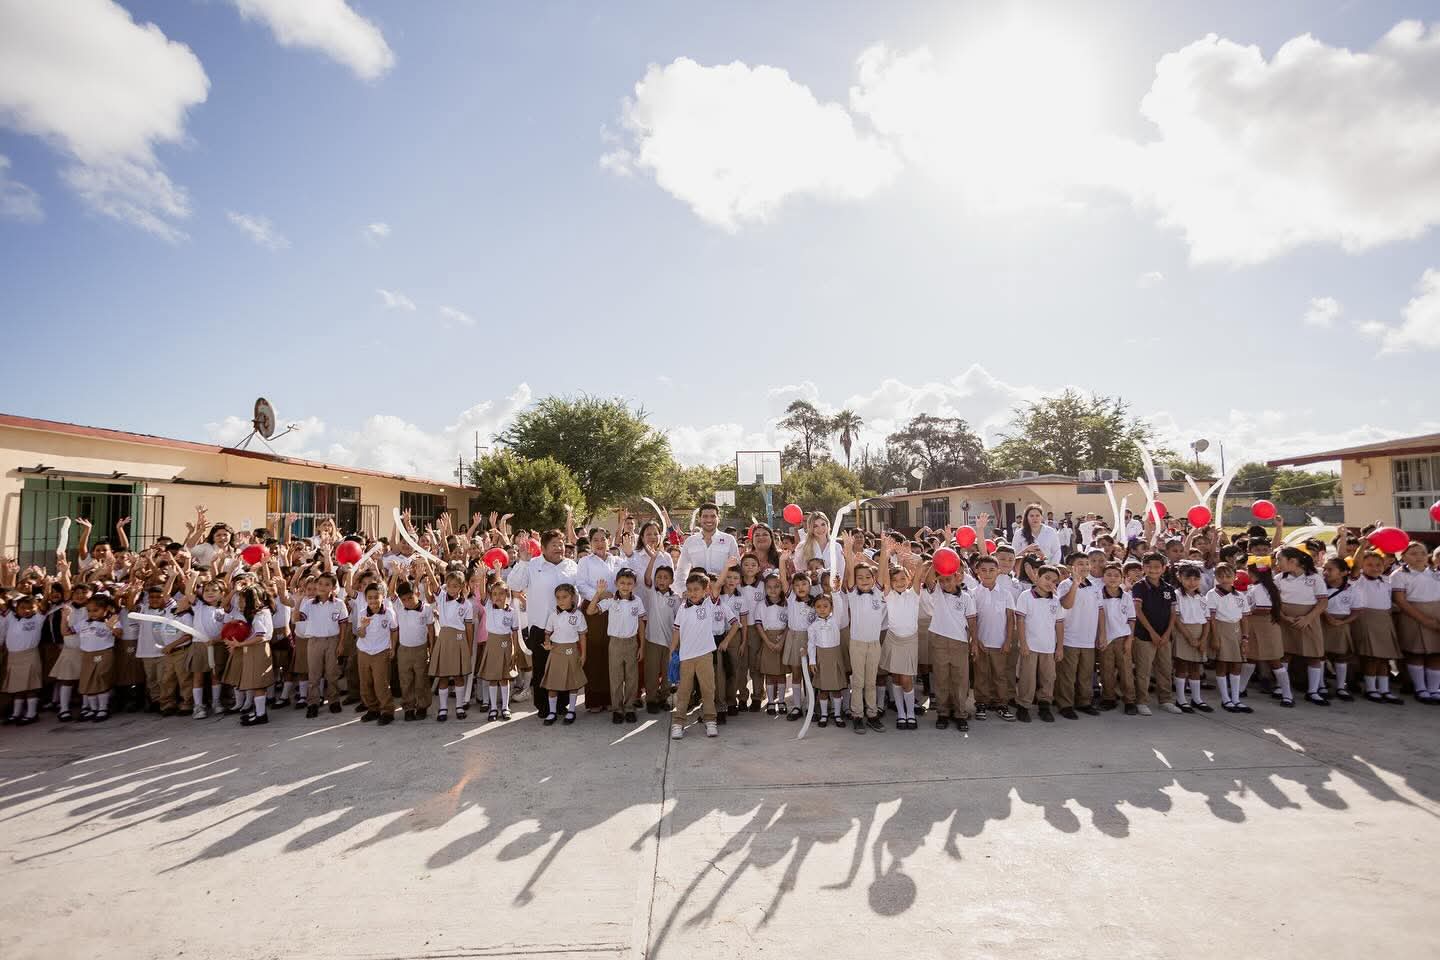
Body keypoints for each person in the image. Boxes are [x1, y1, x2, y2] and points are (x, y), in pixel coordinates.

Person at [506, 529, 579, 720]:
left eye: (561, 543)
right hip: (540, 627)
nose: (559, 548)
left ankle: (562, 705)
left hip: (565, 628)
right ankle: (544, 706)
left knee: (563, 668)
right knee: (542, 668)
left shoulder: (571, 565)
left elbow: (577, 593)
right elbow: (514, 584)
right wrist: (522, 561)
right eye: (554, 544)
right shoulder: (532, 565)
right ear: (544, 548)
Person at [669, 571, 736, 740]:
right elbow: (676, 630)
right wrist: (672, 648)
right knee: (684, 691)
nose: (692, 593)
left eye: (696, 589)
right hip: (686, 657)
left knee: (708, 689)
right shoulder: (683, 609)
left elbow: (718, 585)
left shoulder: (708, 605)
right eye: (690, 589)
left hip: (705, 655)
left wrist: (727, 567)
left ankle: (710, 720)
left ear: (706, 590)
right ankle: (678, 723)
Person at [923, 550, 978, 733]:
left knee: (960, 679)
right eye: (942, 580)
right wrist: (936, 561)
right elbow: (930, 579)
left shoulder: (967, 598)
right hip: (939, 640)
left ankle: (960, 713)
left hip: (960, 642)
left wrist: (974, 642)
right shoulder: (937, 592)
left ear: (958, 578)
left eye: (949, 579)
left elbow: (971, 621)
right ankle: (943, 713)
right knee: (941, 678)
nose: (945, 583)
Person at [840, 534, 886, 733]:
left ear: (874, 579)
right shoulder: (852, 594)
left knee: (871, 681)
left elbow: (883, 568)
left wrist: (884, 549)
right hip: (857, 643)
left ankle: (872, 713)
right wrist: (849, 550)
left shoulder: (878, 592)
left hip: (874, 644)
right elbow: (850, 569)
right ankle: (858, 715)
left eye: (868, 577)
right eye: (860, 578)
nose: (864, 580)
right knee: (857, 681)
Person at [576, 526, 623, 714]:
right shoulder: (585, 561)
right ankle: (594, 699)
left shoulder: (617, 560)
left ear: (609, 540)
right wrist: (599, 595)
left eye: (603, 539)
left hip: (614, 610)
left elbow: (624, 581)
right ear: (590, 542)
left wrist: (613, 596)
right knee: (594, 652)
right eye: (595, 539)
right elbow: (581, 584)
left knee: (611, 653)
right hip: (593, 609)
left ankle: (612, 697)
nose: (600, 543)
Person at [1276, 546, 1330, 706]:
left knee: (1313, 655)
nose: (1277, 563)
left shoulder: (1315, 578)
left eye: (1280, 559)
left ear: (1293, 561)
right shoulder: (1279, 578)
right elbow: (1275, 601)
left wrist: (1308, 618)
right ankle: (1281, 687)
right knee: (1285, 654)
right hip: (1286, 620)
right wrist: (1284, 617)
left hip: (1308, 619)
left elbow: (1323, 602)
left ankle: (1313, 690)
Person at [590, 570, 646, 724]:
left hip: (632, 643)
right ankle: (617, 709)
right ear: (616, 583)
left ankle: (629, 708)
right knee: (616, 678)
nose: (625, 586)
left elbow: (641, 624)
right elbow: (591, 611)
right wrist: (598, 593)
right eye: (622, 583)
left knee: (632, 678)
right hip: (615, 643)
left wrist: (642, 646)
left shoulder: (637, 601)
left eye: (629, 583)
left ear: (634, 585)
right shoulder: (611, 601)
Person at [1350, 548, 1403, 704]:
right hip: (1366, 619)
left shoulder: (1386, 581)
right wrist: (1363, 545)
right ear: (1363, 566)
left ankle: (1385, 690)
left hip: (1384, 620)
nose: (1375, 568)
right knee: (1371, 658)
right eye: (1370, 565)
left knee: (1384, 658)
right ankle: (1371, 689)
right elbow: (1355, 565)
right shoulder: (1358, 580)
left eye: (1378, 564)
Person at [1013, 565, 1064, 722]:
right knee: (1027, 677)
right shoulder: (1026, 596)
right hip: (1030, 645)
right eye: (1047, 578)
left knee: (1048, 677)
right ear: (1037, 576)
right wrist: (1023, 643)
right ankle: (1023, 706)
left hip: (1048, 646)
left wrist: (1059, 647)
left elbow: (1059, 624)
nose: (1050, 583)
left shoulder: (1055, 601)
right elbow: (1020, 620)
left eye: (1054, 581)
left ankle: (1044, 705)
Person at [1390, 541, 1440, 703]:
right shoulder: (1399, 575)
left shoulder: (1435, 573)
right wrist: (1424, 620)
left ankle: (1434, 689)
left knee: (1435, 653)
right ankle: (1420, 688)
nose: (1419, 557)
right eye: (1413, 553)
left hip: (1436, 614)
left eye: (1422, 553)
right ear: (1403, 556)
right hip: (1412, 615)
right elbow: (1401, 601)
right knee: (1416, 653)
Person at [967, 552, 1014, 723]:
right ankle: (981, 703)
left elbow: (1010, 618)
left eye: (991, 570)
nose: (987, 573)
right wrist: (975, 640)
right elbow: (971, 619)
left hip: (999, 642)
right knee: (981, 674)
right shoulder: (972, 593)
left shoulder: (1006, 594)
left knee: (1000, 674)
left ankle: (1001, 703)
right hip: (980, 642)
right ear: (977, 571)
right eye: (983, 570)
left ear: (998, 571)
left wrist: (1008, 640)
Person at [1054, 552, 1101, 719]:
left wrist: (1100, 634)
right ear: (1071, 567)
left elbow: (1100, 611)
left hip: (1088, 638)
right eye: (1080, 564)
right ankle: (1065, 704)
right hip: (1070, 637)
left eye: (1087, 563)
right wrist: (1075, 584)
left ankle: (1084, 702)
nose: (1085, 567)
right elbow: (1066, 604)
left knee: (1085, 673)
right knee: (1067, 674)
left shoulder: (1095, 586)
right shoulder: (1065, 585)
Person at [1131, 552, 1177, 715]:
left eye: (1157, 567)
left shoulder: (1169, 588)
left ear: (1164, 568)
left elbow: (1173, 614)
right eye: (1149, 566)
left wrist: (1166, 634)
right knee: (1143, 670)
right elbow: (1138, 611)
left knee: (1165, 669)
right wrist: (1152, 632)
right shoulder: (1139, 586)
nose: (1153, 570)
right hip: (1145, 636)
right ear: (1143, 568)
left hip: (1165, 637)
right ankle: (1141, 701)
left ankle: (1166, 700)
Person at [1206, 562, 1252, 713]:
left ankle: (1236, 699)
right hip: (1221, 629)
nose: (1225, 579)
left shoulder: (1240, 595)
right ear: (1216, 577)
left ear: (1235, 576)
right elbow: (1212, 618)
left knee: (1237, 665)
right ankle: (1225, 699)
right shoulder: (1212, 594)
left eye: (1228, 575)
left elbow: (1244, 618)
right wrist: (1215, 637)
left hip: (1236, 631)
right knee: (1222, 664)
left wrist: (1245, 638)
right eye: (1221, 576)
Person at [300, 571, 348, 717]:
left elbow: (343, 624)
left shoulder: (338, 604)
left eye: (327, 584)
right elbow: (299, 617)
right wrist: (297, 601)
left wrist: (341, 643)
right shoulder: (309, 604)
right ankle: (313, 703)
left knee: (332, 673)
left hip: (332, 641)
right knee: (314, 674)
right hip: (314, 641)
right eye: (320, 583)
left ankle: (333, 701)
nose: (322, 586)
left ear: (333, 588)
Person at [227, 584, 275, 727]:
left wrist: (240, 645)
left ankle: (261, 715)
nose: (239, 604)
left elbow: (260, 636)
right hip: (257, 649)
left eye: (241, 601)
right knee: (256, 685)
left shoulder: (259, 615)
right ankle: (258, 711)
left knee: (258, 685)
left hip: (257, 650)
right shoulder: (262, 613)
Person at [540, 584, 587, 726]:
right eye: (558, 598)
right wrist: (547, 642)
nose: (561, 600)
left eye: (565, 597)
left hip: (572, 651)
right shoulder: (553, 615)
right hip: (556, 652)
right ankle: (552, 712)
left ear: (572, 597)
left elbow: (582, 636)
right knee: (552, 683)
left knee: (573, 683)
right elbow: (547, 633)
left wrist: (583, 654)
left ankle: (571, 710)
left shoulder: (578, 615)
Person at [641, 550, 680, 714]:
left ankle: (663, 697)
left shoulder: (676, 598)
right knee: (651, 672)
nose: (661, 580)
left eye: (665, 577)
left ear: (671, 580)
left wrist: (677, 644)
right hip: (652, 640)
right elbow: (647, 578)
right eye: (659, 577)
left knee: (667, 672)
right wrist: (653, 558)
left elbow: (679, 621)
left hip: (670, 642)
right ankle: (651, 699)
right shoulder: (651, 594)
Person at [353, 582, 397, 725]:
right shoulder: (362, 613)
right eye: (369, 598)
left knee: (381, 683)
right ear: (366, 599)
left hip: (381, 651)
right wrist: (364, 627)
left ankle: (387, 711)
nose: (373, 601)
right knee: (365, 683)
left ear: (382, 597)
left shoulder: (389, 613)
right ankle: (372, 709)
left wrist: (393, 647)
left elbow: (394, 630)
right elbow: (360, 634)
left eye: (375, 597)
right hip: (364, 651)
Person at [1172, 565, 1213, 712]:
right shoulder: (1176, 595)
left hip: (1199, 633)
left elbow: (1207, 620)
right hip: (1183, 633)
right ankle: (1181, 699)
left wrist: (1203, 640)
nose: (1192, 582)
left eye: (1196, 579)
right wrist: (1189, 637)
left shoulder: (1201, 597)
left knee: (1196, 667)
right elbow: (1176, 619)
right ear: (1180, 578)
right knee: (1182, 667)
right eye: (1188, 578)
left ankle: (1197, 699)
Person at [1097, 562, 1136, 713]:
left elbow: (1131, 619)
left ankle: (1129, 700)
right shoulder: (1098, 595)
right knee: (1106, 671)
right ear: (1103, 578)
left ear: (1121, 578)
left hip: (1122, 638)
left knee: (1126, 671)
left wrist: (1129, 640)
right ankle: (1108, 698)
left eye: (1116, 575)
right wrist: (1100, 637)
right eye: (1109, 575)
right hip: (1105, 638)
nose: (1112, 578)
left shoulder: (1126, 597)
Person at [75, 592, 120, 722]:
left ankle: (103, 708)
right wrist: (64, 617)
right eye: (89, 611)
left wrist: (111, 627)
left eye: (96, 610)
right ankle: (93, 709)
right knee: (88, 681)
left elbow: (119, 634)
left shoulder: (111, 621)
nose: (92, 613)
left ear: (106, 610)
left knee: (101, 679)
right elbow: (66, 632)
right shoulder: (84, 623)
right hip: (88, 654)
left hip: (103, 653)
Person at [394, 580, 434, 721]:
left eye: (410, 598)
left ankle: (422, 706)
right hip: (404, 649)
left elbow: (430, 629)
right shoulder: (398, 607)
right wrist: (396, 575)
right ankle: (409, 707)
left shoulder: (426, 609)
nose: (407, 602)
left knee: (421, 679)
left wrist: (432, 647)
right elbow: (390, 593)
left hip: (420, 649)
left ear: (417, 593)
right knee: (406, 680)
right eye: (403, 599)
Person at [806, 592, 846, 729]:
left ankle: (837, 714)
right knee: (823, 690)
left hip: (834, 656)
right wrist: (812, 661)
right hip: (821, 658)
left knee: (836, 689)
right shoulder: (812, 627)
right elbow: (811, 644)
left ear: (831, 608)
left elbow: (839, 604)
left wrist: (835, 592)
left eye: (825, 606)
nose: (822, 609)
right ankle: (824, 714)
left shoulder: (836, 620)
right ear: (814, 608)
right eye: (818, 606)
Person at [1, 594, 44, 725]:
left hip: (30, 655)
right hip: (14, 657)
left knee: (31, 686)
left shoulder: (38, 618)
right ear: (16, 608)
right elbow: (2, 604)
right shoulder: (10, 618)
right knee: (17, 687)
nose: (26, 610)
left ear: (37, 608)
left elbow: (45, 602)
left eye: (31, 607)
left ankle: (32, 713)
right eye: (23, 608)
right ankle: (16, 713)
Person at [1321, 557, 1356, 702]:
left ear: (1343, 573)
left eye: (1330, 569)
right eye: (1324, 569)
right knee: (1319, 655)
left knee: (1341, 656)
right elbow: (1317, 603)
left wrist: (1343, 622)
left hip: (1342, 624)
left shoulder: (1351, 589)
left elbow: (1357, 610)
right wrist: (1327, 616)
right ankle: (1320, 685)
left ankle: (1341, 686)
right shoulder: (1320, 587)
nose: (1325, 572)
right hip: (1322, 622)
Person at [755, 573, 790, 715]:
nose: (773, 590)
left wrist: (781, 641)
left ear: (782, 587)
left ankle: (781, 701)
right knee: (769, 674)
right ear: (765, 588)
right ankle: (770, 701)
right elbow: (758, 625)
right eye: (769, 587)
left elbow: (789, 624)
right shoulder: (761, 605)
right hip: (767, 639)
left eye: (776, 586)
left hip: (783, 638)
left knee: (781, 673)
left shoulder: (787, 604)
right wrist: (767, 642)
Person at [678, 503, 739, 580]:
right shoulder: (690, 542)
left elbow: (736, 569)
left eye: (713, 516)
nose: (709, 520)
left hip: (723, 590)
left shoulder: (729, 540)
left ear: (718, 518)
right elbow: (681, 571)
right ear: (699, 519)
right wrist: (684, 591)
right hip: (697, 591)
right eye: (705, 516)